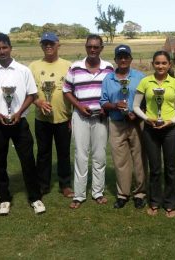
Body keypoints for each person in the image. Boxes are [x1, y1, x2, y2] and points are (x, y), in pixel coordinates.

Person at [0, 33, 45, 215]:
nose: (2, 51)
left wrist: (18, 112)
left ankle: (35, 197)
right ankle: (4, 199)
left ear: (10, 47)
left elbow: (32, 95)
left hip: (19, 121)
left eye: (4, 47)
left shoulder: (23, 70)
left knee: (28, 160)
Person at [133, 50, 175, 218]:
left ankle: (170, 203)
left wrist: (172, 121)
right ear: (153, 64)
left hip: (170, 130)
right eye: (157, 63)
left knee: (171, 168)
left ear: (169, 65)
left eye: (164, 63)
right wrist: (147, 118)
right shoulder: (145, 82)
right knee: (155, 168)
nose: (160, 66)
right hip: (151, 129)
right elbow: (135, 106)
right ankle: (155, 202)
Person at [63, 34, 114, 209]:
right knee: (81, 155)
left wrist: (106, 108)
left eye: (96, 47)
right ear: (86, 47)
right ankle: (79, 195)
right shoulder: (75, 67)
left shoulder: (109, 68)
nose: (92, 50)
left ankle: (98, 192)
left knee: (99, 155)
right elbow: (67, 91)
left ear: (101, 48)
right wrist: (78, 106)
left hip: (101, 117)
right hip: (80, 116)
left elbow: (113, 91)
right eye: (89, 46)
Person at [100, 45, 147, 209]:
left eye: (126, 56)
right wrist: (115, 106)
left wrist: (137, 112)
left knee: (139, 159)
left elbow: (147, 101)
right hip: (117, 123)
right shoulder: (108, 79)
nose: (123, 60)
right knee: (120, 161)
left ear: (131, 59)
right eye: (120, 57)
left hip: (136, 123)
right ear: (115, 60)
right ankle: (123, 194)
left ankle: (140, 193)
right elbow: (103, 102)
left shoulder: (140, 77)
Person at [29, 32, 74, 198]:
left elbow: (74, 92)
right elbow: (30, 92)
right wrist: (38, 102)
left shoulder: (68, 65)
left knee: (64, 153)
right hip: (42, 118)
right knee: (43, 153)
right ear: (41, 45)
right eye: (45, 43)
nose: (48, 46)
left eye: (51, 43)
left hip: (64, 118)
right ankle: (43, 184)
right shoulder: (33, 66)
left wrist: (73, 116)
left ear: (58, 45)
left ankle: (65, 185)